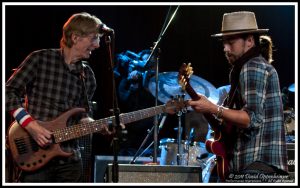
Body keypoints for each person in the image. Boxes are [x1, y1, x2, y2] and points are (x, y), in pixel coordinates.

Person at [5, 12, 112, 182]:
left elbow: (82, 116)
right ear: (75, 37)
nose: (97, 45)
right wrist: (30, 125)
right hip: (36, 155)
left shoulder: (88, 75)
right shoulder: (40, 59)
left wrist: (98, 125)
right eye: (93, 39)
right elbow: (8, 92)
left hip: (71, 160)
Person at [188, 11, 289, 182]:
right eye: (224, 43)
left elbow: (251, 119)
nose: (225, 48)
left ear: (250, 40)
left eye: (231, 42)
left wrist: (212, 108)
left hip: (254, 165)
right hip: (260, 166)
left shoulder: (251, 67)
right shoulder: (252, 66)